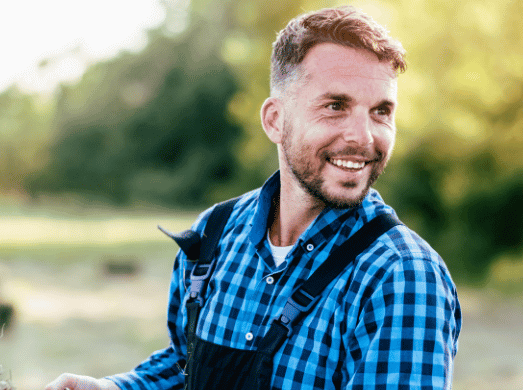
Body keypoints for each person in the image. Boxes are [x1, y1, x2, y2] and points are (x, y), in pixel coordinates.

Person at [46, 5, 461, 390]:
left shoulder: (402, 277)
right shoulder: (214, 233)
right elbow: (183, 364)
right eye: (336, 106)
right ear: (275, 120)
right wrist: (115, 388)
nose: (363, 137)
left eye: (381, 112)